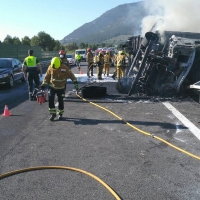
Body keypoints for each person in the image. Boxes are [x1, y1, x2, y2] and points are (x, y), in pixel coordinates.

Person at [41, 57, 79, 121]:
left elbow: (71, 75)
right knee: (51, 99)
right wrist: (43, 85)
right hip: (52, 86)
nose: (55, 69)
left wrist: (75, 82)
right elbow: (47, 77)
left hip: (61, 87)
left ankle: (60, 114)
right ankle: (53, 114)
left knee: (60, 100)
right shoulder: (50, 67)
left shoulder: (64, 67)